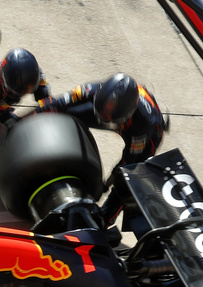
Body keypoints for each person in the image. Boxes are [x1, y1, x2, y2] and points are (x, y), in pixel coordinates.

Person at [35, 73, 165, 221]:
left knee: (126, 179)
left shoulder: (143, 125)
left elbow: (126, 163)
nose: (105, 118)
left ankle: (104, 220)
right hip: (119, 115)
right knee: (65, 112)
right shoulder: (97, 90)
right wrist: (35, 114)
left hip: (146, 136)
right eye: (102, 111)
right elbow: (60, 102)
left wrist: (107, 183)